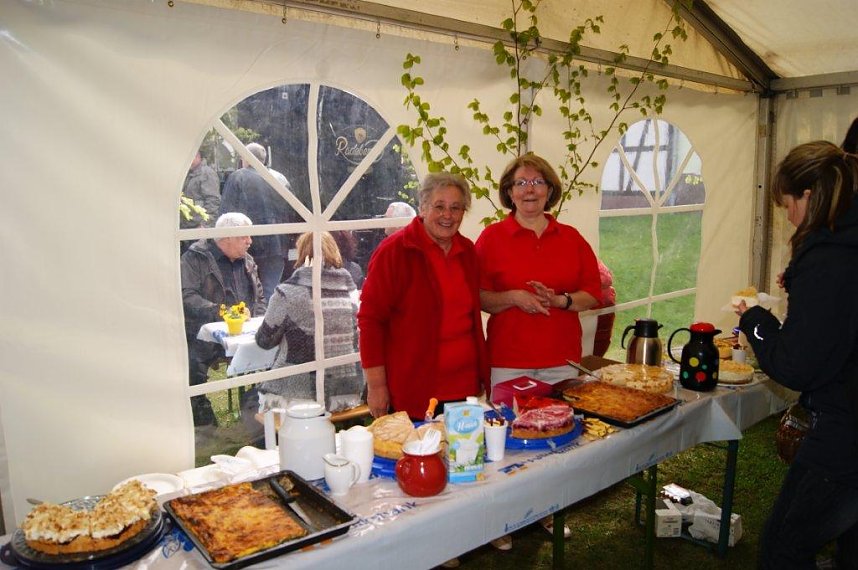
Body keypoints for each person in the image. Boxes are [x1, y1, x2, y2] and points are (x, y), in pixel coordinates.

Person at [358, 173, 498, 564]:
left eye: (456, 207)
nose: (447, 215)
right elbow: (370, 319)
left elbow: (471, 316)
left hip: (463, 381)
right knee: (422, 471)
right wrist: (376, 385)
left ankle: (467, 533)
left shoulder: (469, 252)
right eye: (440, 206)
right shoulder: (395, 251)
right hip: (417, 385)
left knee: (463, 460)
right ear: (423, 207)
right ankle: (431, 547)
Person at [736, 140, 858, 569]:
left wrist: (754, 320)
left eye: (787, 205)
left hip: (845, 429)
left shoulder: (829, 257)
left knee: (783, 549)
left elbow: (796, 364)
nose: (788, 216)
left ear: (808, 195)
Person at [476, 153, 601, 539]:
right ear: (509, 192)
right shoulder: (492, 238)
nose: (529, 189)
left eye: (537, 182)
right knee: (507, 443)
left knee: (554, 442)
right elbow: (479, 297)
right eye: (521, 183)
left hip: (559, 361)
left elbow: (592, 295)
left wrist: (560, 300)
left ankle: (546, 510)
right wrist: (512, 297)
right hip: (508, 360)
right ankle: (502, 520)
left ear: (550, 190)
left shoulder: (572, 238)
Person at [255, 232, 363, 412]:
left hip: (299, 394)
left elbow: (264, 341)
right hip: (349, 389)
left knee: (255, 397)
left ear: (301, 254)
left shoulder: (287, 293)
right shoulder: (351, 292)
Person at [180, 212, 267, 426]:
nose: (250, 241)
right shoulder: (195, 258)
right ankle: (203, 423)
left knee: (269, 355)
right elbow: (186, 295)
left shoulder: (247, 259)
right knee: (193, 364)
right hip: (203, 334)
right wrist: (221, 312)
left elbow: (260, 296)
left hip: (244, 332)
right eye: (244, 237)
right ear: (226, 237)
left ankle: (254, 413)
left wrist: (258, 318)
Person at [220, 142, 292, 302]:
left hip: (248, 244)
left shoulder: (237, 177)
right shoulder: (282, 179)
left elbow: (226, 215)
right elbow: (290, 213)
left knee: (246, 294)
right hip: (278, 245)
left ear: (245, 158)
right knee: (270, 294)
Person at [180, 150, 220, 230]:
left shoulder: (207, 174)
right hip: (186, 225)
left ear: (197, 156)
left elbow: (213, 201)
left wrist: (205, 224)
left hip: (198, 227)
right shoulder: (187, 173)